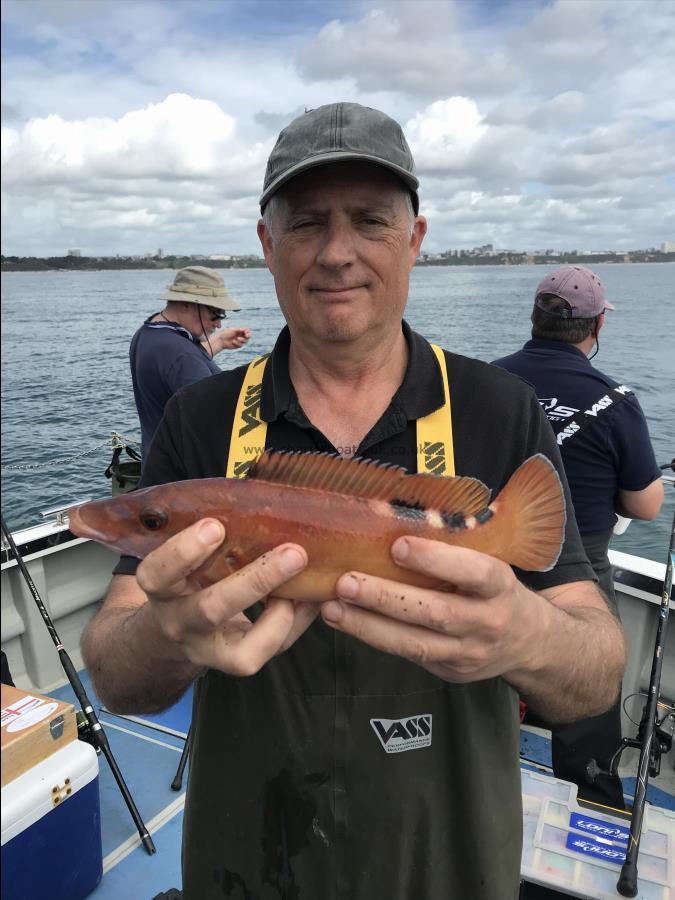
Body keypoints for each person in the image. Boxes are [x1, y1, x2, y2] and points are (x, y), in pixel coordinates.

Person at [82, 103, 626, 900]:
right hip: (249, 852)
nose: (336, 253)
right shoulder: (200, 419)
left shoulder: (499, 407)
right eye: (306, 224)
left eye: (369, 220)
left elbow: (597, 673)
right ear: (267, 246)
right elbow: (113, 671)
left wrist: (526, 634)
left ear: (414, 239)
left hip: (449, 856)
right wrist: (164, 634)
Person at [493, 265, 663, 809]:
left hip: (489, 554)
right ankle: (589, 795)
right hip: (577, 563)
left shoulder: (483, 384)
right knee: (588, 677)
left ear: (533, 319)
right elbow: (646, 504)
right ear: (596, 328)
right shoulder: (615, 400)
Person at [130, 265, 251, 459]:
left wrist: (219, 342)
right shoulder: (182, 356)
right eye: (215, 313)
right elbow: (216, 424)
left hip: (156, 467)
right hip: (187, 478)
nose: (219, 323)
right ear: (186, 304)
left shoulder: (149, 333)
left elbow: (174, 368)